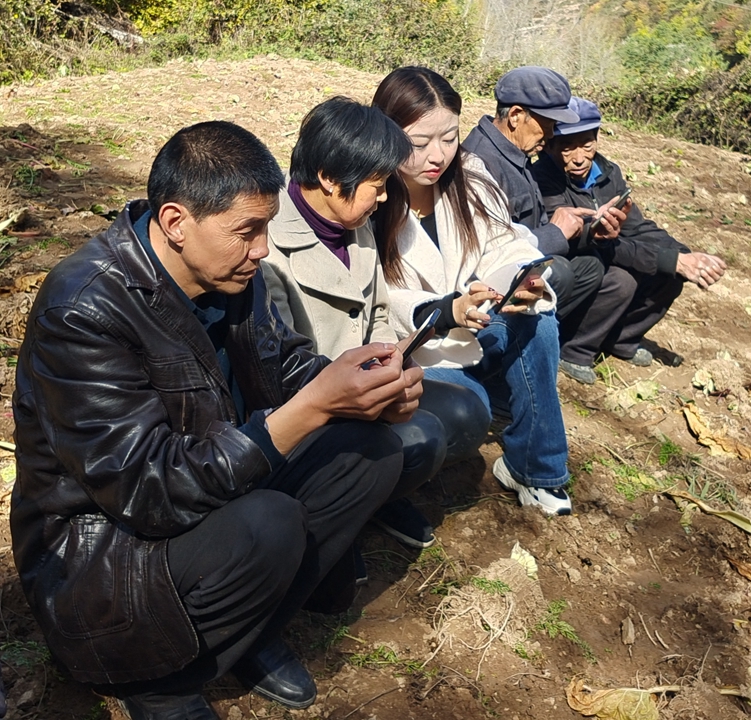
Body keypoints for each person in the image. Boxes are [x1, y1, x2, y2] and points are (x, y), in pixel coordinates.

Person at [10, 121, 417, 719]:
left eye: (266, 227)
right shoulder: (84, 308)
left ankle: (248, 633)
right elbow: (146, 490)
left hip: (210, 490)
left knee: (369, 450)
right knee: (269, 521)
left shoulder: (230, 275)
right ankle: (158, 681)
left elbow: (284, 366)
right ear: (176, 223)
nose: (263, 249)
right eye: (247, 231)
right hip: (101, 558)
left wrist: (361, 387)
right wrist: (310, 409)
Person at [262, 97, 490, 554]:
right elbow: (281, 370)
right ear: (329, 178)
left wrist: (394, 362)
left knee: (466, 413)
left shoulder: (354, 223)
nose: (384, 197)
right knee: (423, 437)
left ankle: (373, 499)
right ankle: (332, 519)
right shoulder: (267, 247)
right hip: (312, 405)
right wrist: (369, 394)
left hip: (366, 386)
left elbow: (379, 313)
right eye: (377, 185)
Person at [371, 66, 573, 516]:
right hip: (418, 345)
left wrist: (519, 279)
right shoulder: (369, 194)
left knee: (538, 320)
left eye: (450, 138)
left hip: (476, 323)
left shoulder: (469, 174)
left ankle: (535, 470)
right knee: (470, 410)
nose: (438, 155)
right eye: (419, 143)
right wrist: (443, 310)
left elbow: (504, 241)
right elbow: (373, 292)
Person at [531, 97, 728, 383]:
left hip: (606, 251)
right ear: (549, 145)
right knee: (622, 281)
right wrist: (674, 260)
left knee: (670, 274)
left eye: (587, 145)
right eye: (567, 147)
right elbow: (596, 243)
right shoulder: (542, 180)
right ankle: (575, 349)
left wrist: (683, 254)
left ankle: (620, 339)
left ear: (597, 139)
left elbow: (636, 227)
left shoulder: (608, 173)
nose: (579, 157)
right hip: (575, 261)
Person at [460, 66, 634, 380]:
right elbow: (494, 251)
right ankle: (499, 358)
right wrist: (554, 233)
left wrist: (586, 228)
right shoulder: (482, 163)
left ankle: (546, 341)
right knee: (562, 272)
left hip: (523, 258)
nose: (552, 135)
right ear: (516, 116)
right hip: (491, 282)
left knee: (593, 268)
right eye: (547, 124)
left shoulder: (515, 152)